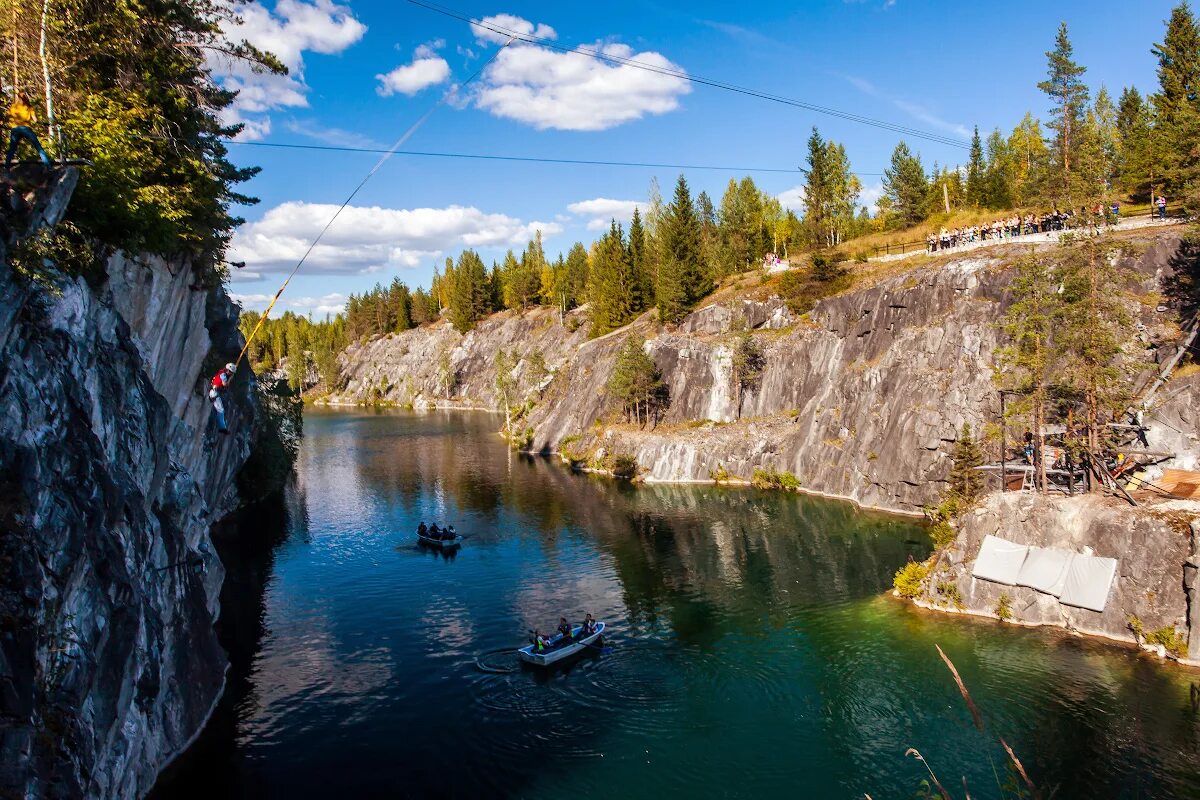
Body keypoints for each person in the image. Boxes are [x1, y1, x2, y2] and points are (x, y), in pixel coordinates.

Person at [4, 91, 52, 170]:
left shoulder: (13, 107)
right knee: (38, 147)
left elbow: (7, 117)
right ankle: (49, 167)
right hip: (26, 129)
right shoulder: (29, 107)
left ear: (18, 98)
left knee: (12, 149)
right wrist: (44, 124)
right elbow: (35, 120)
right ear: (26, 98)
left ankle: (6, 168)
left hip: (15, 129)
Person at [208, 362, 235, 434]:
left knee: (221, 409)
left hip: (215, 392)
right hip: (214, 393)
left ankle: (221, 427)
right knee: (221, 410)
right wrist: (229, 381)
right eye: (231, 373)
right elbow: (224, 384)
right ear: (228, 370)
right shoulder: (223, 375)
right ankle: (222, 428)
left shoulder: (222, 372)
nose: (231, 374)